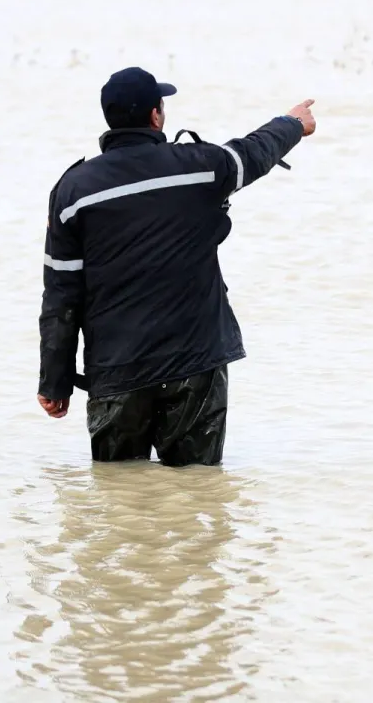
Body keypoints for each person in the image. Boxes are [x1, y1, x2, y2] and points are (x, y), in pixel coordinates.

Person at [37, 66, 316, 466]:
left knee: (120, 500)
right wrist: (292, 123)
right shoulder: (200, 166)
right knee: (196, 493)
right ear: (155, 116)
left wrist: (55, 380)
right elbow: (254, 152)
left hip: (117, 370)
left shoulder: (73, 190)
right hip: (194, 362)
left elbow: (61, 294)